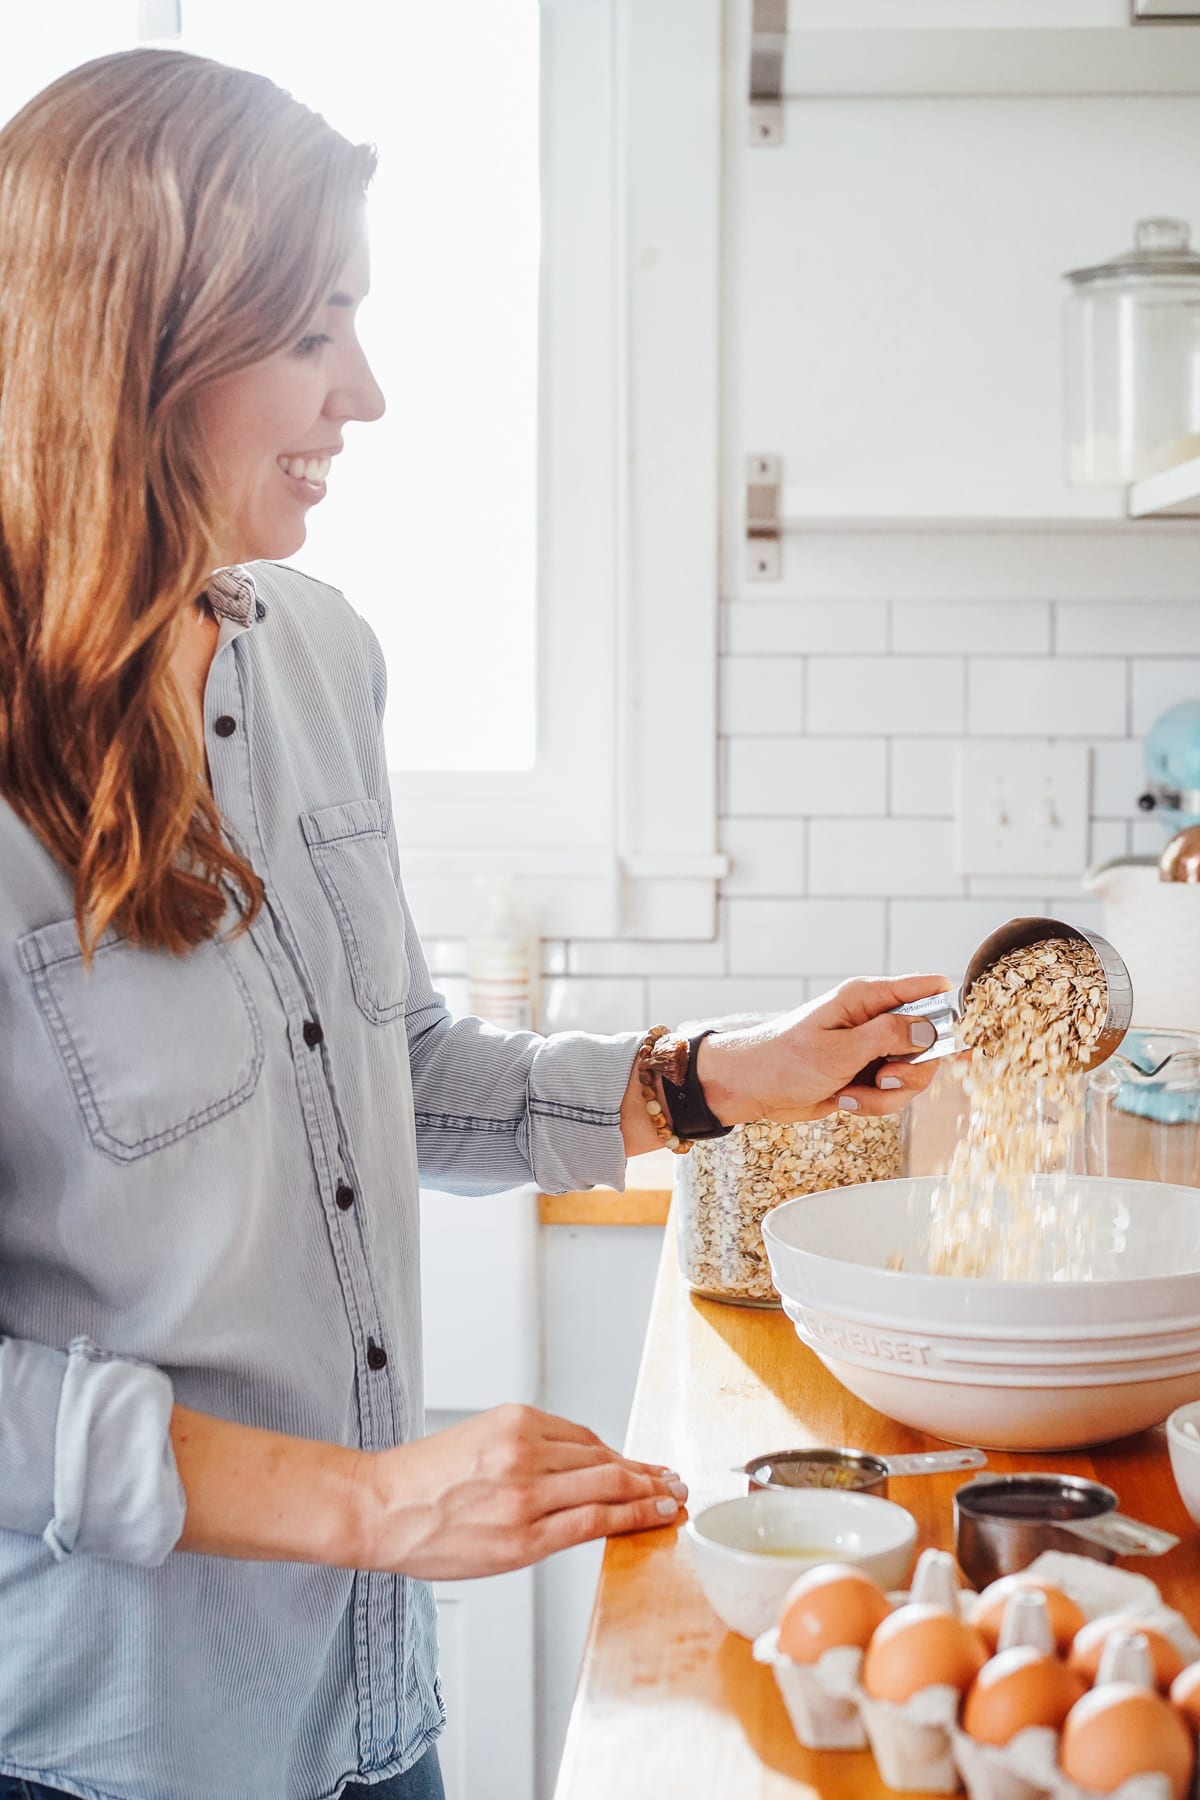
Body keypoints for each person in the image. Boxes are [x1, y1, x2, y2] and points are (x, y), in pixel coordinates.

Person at [0, 48, 946, 1800]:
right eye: (312, 328)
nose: (367, 389)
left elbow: (396, 1070)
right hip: (108, 1745)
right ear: (132, 347)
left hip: (367, 1708)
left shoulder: (317, 654)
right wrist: (368, 1497)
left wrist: (705, 1079)